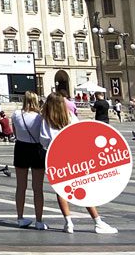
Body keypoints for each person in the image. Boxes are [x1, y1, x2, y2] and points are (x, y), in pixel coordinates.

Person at [39, 93, 118, 234]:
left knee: (60, 190)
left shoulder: (46, 119)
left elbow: (43, 139)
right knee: (82, 188)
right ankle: (97, 221)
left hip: (55, 155)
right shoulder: (70, 116)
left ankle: (68, 222)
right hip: (73, 154)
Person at [11, 91, 46, 229]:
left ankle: (20, 218)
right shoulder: (40, 117)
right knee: (38, 188)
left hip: (20, 148)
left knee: (21, 186)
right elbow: (43, 134)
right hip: (37, 149)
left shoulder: (16, 114)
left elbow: (15, 132)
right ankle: (39, 220)